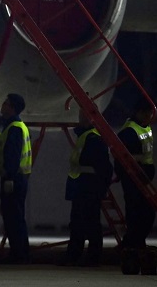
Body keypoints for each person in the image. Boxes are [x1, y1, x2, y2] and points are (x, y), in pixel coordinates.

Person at [61, 107, 112, 266]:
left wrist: (99, 189)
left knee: (88, 223)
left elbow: (104, 167)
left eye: (84, 115)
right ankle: (83, 256)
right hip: (82, 187)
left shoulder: (93, 138)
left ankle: (87, 257)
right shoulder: (85, 136)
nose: (81, 118)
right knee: (81, 222)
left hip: (87, 187)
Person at [115, 98, 156, 255]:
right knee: (137, 210)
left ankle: (134, 241)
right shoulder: (130, 130)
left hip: (143, 177)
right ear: (139, 112)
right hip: (134, 177)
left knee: (142, 211)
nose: (150, 116)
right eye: (147, 113)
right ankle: (133, 242)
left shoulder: (144, 127)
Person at [0, 93, 32, 264]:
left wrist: (8, 178)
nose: (2, 105)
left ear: (11, 108)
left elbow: (12, 156)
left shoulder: (15, 128)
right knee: (15, 217)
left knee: (13, 218)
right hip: (18, 178)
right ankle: (20, 252)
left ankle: (19, 255)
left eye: (5, 103)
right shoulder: (15, 126)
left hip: (13, 180)